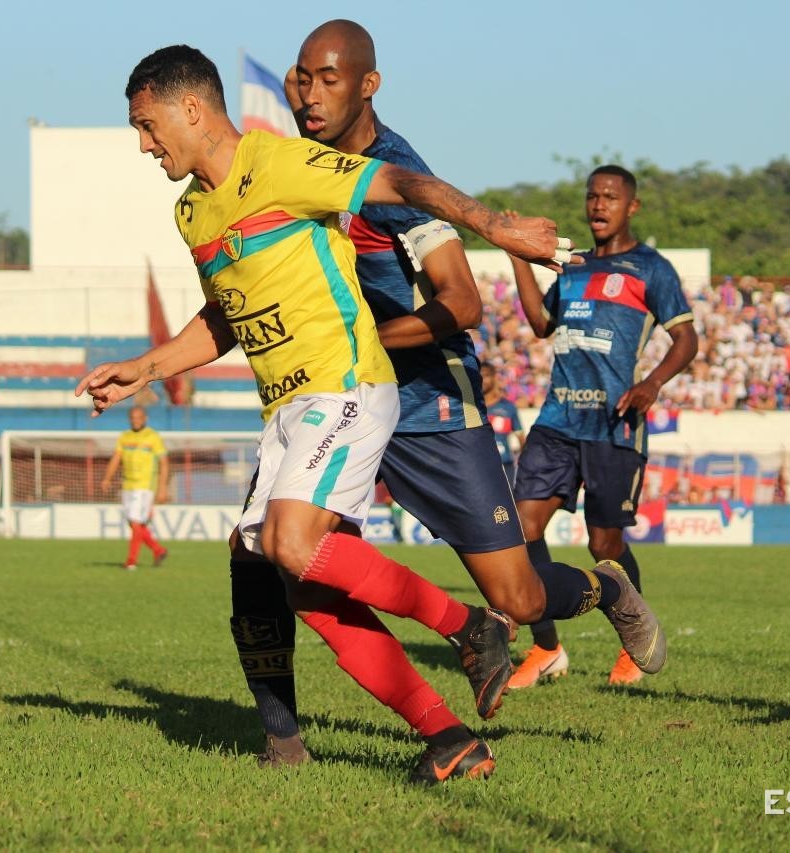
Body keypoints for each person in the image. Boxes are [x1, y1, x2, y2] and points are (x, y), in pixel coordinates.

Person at [78, 44, 571, 783]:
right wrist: (144, 368)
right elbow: (224, 317)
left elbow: (401, 180)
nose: (144, 145)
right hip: (285, 409)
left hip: (344, 386)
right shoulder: (194, 211)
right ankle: (448, 739)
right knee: (310, 588)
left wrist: (495, 226)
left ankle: (467, 626)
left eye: (148, 126)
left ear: (190, 108)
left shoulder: (280, 163)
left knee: (288, 539)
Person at [222, 19, 667, 765]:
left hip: (429, 402)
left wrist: (358, 345)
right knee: (282, 560)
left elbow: (462, 302)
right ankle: (293, 737)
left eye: (330, 78)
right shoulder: (294, 169)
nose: (309, 93)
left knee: (520, 598)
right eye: (303, 77)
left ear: (369, 85)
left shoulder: (398, 174)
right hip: (342, 401)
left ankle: (607, 590)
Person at [509, 165, 698, 687]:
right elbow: (542, 326)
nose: (598, 206)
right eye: (592, 196)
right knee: (521, 532)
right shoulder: (571, 268)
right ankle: (546, 648)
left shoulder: (650, 268)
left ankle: (634, 646)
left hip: (613, 425)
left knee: (604, 547)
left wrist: (652, 384)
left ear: (631, 206)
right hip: (557, 421)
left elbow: (687, 340)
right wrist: (518, 260)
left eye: (610, 198)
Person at [100, 404, 170, 570]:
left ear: (145, 419)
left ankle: (131, 561)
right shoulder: (124, 437)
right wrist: (107, 478)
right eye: (133, 418)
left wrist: (162, 488)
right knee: (134, 524)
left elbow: (164, 463)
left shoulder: (153, 437)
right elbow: (116, 458)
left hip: (144, 486)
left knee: (136, 523)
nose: (135, 421)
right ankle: (158, 550)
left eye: (139, 418)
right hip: (127, 484)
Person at [481, 362, 525, 473]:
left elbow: (521, 439)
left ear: (494, 377)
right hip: (479, 467)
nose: (481, 379)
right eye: (478, 376)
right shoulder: (471, 407)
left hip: (505, 466)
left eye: (485, 375)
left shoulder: (508, 407)